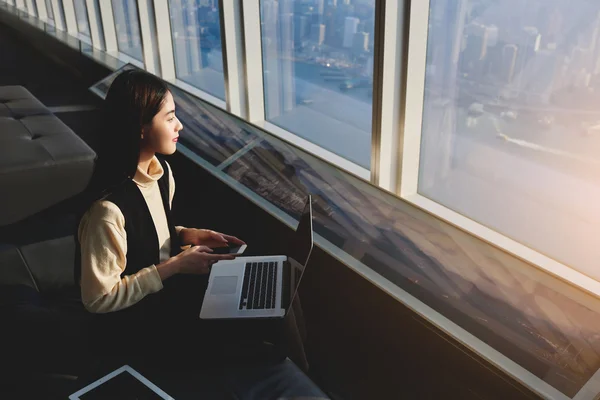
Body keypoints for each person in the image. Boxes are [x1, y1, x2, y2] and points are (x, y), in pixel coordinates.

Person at [75, 70, 249, 361]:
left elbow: (145, 232)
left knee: (262, 310)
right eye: (169, 118)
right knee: (252, 334)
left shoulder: (161, 173)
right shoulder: (106, 213)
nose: (179, 125)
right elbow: (98, 299)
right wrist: (175, 266)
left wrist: (185, 234)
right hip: (133, 329)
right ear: (140, 127)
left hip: (164, 297)